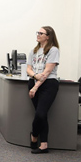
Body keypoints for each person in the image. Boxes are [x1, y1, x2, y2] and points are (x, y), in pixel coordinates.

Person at [25, 26, 60, 154]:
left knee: (40, 113)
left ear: (48, 36)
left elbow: (47, 71)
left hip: (48, 84)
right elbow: (28, 69)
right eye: (37, 32)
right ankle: (44, 144)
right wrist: (34, 76)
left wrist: (35, 87)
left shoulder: (53, 50)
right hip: (33, 81)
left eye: (41, 33)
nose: (38, 34)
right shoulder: (33, 51)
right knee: (42, 115)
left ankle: (34, 136)